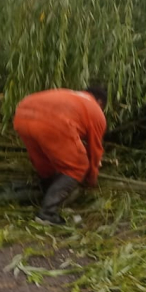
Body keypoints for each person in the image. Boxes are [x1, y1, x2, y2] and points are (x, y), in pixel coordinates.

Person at [13, 87, 107, 225]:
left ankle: (45, 194)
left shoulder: (71, 96)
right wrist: (91, 178)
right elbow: (95, 150)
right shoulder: (96, 110)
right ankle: (47, 213)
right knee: (77, 167)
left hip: (22, 113)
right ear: (99, 101)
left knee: (45, 163)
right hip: (53, 123)